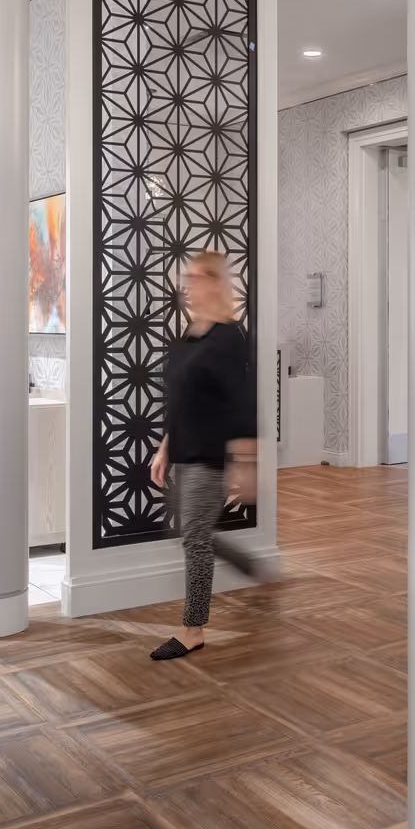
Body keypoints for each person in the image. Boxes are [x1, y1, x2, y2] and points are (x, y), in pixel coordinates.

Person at [148, 250, 260, 661]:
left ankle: (193, 628)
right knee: (194, 530)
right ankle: (242, 559)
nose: (187, 285)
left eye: (196, 277)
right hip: (184, 451)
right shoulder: (188, 334)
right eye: (187, 278)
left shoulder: (230, 336)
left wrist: (246, 464)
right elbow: (178, 399)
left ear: (215, 283)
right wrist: (165, 449)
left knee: (193, 538)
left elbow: (242, 403)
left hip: (211, 453)